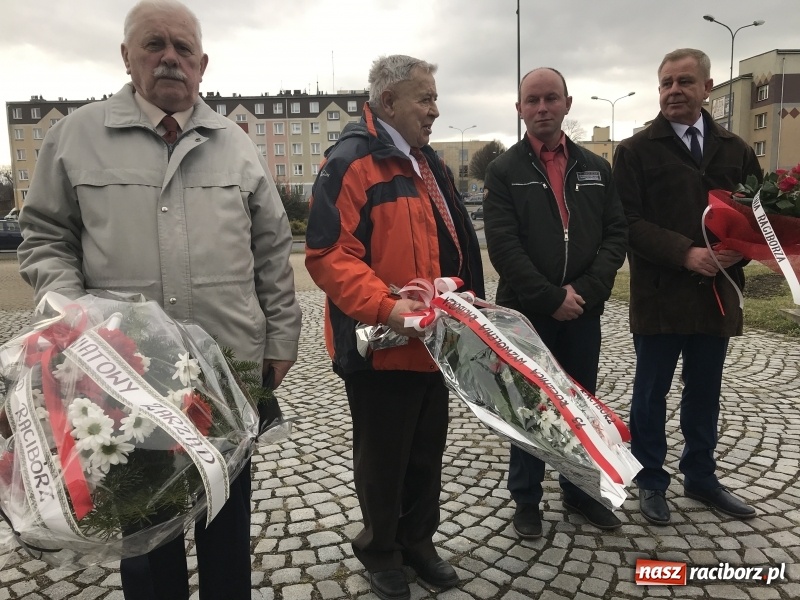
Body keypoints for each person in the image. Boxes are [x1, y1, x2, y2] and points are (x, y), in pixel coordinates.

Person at [17, 1, 302, 598]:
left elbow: (273, 249)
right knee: (145, 537)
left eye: (183, 48)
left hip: (227, 374)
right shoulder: (76, 136)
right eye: (154, 45)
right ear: (127, 56)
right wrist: (72, 319)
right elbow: (46, 237)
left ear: (202, 64)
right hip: (124, 376)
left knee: (226, 524)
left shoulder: (236, 144)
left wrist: (280, 340)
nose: (170, 57)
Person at [305, 55, 484, 600]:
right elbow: (328, 253)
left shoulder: (428, 164)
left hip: (434, 341)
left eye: (435, 98)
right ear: (388, 102)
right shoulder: (352, 162)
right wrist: (388, 309)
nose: (435, 110)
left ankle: (418, 542)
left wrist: (466, 307)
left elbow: (453, 241)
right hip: (380, 345)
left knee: (427, 453)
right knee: (384, 459)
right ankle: (381, 550)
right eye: (424, 99)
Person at [612, 48, 762, 526]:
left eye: (684, 82)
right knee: (650, 394)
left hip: (717, 295)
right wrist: (685, 253)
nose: (674, 91)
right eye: (666, 83)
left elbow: (759, 215)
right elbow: (627, 222)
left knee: (705, 391)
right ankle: (651, 481)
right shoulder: (635, 150)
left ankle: (701, 476)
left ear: (707, 88)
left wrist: (741, 249)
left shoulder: (736, 149)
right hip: (660, 296)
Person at [483, 67, 628, 538]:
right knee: (527, 407)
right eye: (532, 100)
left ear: (567, 103)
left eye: (551, 98)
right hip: (527, 315)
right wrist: (550, 298)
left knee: (580, 405)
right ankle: (526, 499)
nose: (542, 107)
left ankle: (580, 492)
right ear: (519, 109)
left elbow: (616, 235)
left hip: (582, 312)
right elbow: (504, 247)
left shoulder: (596, 168)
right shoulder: (503, 171)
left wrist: (582, 293)